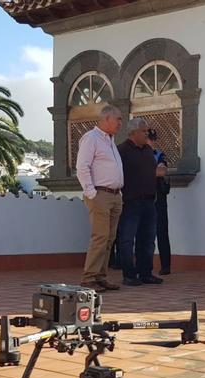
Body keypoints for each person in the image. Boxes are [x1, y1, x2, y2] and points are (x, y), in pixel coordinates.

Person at [75, 105, 124, 293]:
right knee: (100, 237)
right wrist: (91, 192)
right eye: (118, 119)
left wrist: (119, 193)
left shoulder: (110, 140)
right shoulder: (91, 138)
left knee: (109, 239)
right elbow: (82, 167)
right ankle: (88, 279)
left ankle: (100, 276)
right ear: (106, 119)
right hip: (100, 195)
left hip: (114, 195)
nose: (120, 123)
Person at [116, 118, 163, 286]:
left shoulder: (148, 150)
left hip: (149, 201)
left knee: (148, 239)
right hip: (131, 201)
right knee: (128, 239)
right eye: (143, 131)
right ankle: (129, 274)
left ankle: (146, 273)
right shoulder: (121, 150)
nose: (147, 134)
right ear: (133, 132)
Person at [150, 129, 172, 275]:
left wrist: (141, 172)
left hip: (158, 197)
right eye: (149, 139)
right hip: (142, 196)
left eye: (153, 139)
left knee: (162, 232)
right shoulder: (137, 155)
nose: (152, 142)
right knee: (144, 234)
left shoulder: (159, 154)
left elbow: (161, 171)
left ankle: (166, 266)